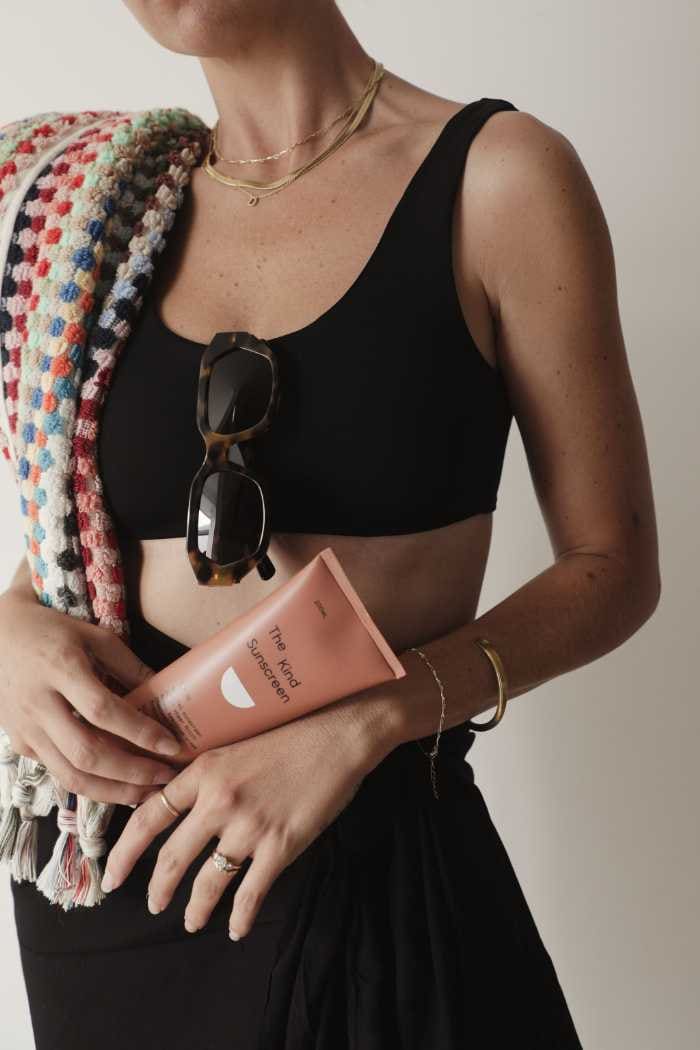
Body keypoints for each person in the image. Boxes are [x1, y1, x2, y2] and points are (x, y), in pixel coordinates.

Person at [0, 2, 660, 1048]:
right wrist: (9, 627)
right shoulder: (105, 212)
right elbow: (76, 537)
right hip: (117, 880)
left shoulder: (498, 178)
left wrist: (367, 726)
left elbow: (613, 567)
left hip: (368, 847)